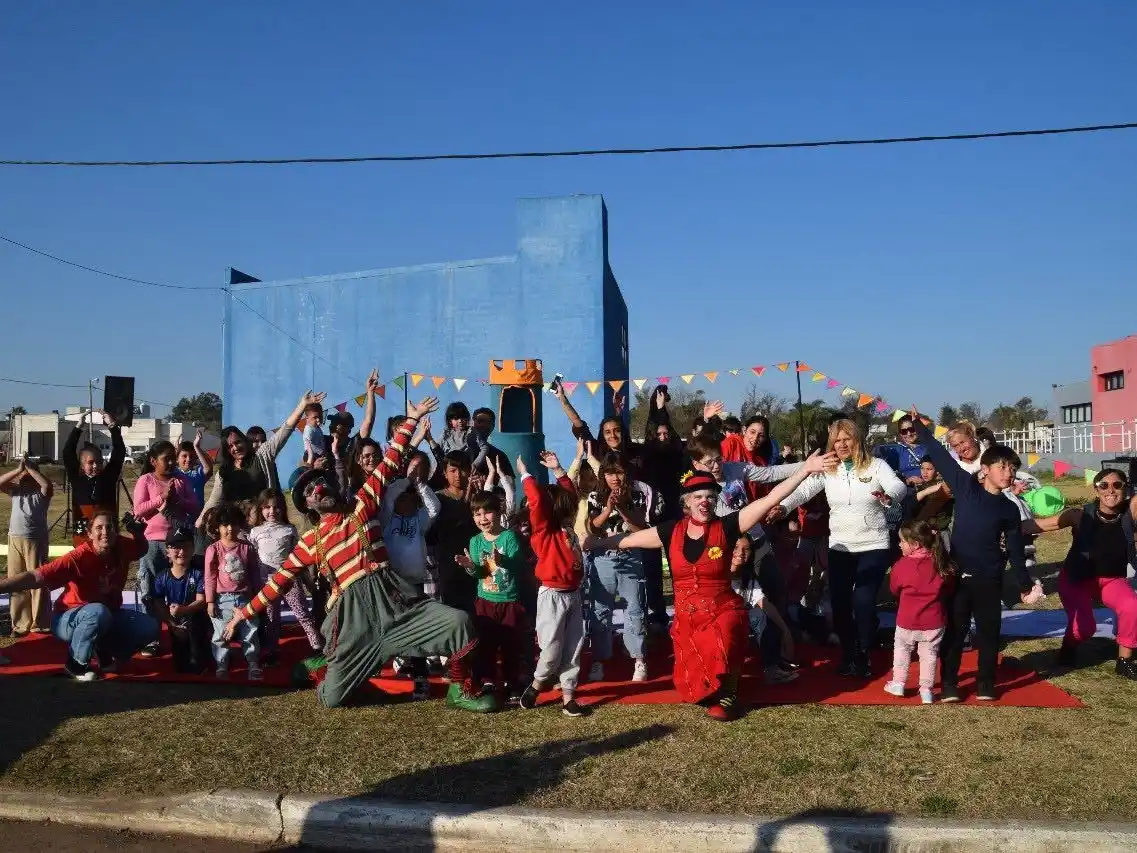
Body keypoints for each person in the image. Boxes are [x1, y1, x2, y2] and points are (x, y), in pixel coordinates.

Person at [222, 397, 495, 712]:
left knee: (459, 623)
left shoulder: (362, 504)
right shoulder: (311, 541)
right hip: (353, 620)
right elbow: (278, 583)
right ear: (306, 505)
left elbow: (390, 460)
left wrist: (413, 418)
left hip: (396, 602)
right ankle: (321, 664)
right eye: (309, 491)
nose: (318, 490)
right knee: (332, 699)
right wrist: (243, 614)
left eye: (320, 482)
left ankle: (460, 690)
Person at [585, 451, 830, 721]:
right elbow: (629, 540)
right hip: (687, 617)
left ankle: (730, 691)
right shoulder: (671, 531)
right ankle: (714, 684)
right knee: (695, 690)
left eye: (711, 497)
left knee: (727, 629)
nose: (705, 502)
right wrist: (593, 544)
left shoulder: (727, 526)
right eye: (698, 497)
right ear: (687, 502)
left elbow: (770, 498)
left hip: (721, 609)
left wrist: (806, 470)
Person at [911, 410, 1043, 701]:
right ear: (986, 469)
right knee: (956, 632)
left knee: (989, 633)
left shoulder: (1009, 509)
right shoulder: (966, 486)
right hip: (959, 576)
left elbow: (1015, 551)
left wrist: (1024, 582)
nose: (1009, 473)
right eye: (1004, 467)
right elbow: (941, 456)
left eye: (1013, 468)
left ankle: (985, 684)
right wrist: (921, 429)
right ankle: (949, 684)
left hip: (989, 577)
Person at [766, 419, 907, 677]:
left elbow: (898, 486)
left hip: (873, 544)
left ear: (858, 440)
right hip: (840, 546)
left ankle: (864, 653)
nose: (842, 444)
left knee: (863, 601)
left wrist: (889, 497)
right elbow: (803, 491)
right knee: (840, 603)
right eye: (837, 440)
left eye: (847, 439)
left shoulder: (876, 465)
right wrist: (783, 507)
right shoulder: (829, 470)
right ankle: (849, 653)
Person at [0, 510, 158, 680]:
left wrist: (138, 533)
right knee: (98, 612)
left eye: (109, 527)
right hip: (68, 618)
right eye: (99, 528)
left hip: (106, 614)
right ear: (89, 533)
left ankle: (103, 651)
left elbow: (141, 550)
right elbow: (36, 576)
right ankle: (75, 665)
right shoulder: (78, 556)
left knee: (149, 626)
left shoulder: (120, 545)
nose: (105, 532)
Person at [1025, 469, 1137, 681]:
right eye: (1104, 485)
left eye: (1117, 485)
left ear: (1126, 488)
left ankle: (1124, 661)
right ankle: (1068, 647)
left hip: (1112, 580)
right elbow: (1039, 524)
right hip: (1077, 579)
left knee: (1133, 606)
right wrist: (1002, 528)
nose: (1110, 490)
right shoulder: (1079, 515)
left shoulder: (1130, 513)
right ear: (1096, 490)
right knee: (1084, 628)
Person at [516, 451, 588, 716]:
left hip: (574, 595)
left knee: (573, 648)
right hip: (552, 596)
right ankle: (537, 685)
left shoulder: (566, 528)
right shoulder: (543, 532)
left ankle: (569, 697)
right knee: (551, 650)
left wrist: (558, 469)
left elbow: (570, 495)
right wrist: (525, 473)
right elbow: (535, 500)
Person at [584, 454, 660, 683]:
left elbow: (642, 529)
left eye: (618, 472)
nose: (614, 478)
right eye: (609, 473)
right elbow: (592, 529)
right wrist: (607, 510)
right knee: (600, 610)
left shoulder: (638, 494)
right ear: (602, 475)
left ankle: (638, 657)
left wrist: (623, 510)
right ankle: (599, 658)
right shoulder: (595, 496)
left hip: (631, 556)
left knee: (635, 608)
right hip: (602, 557)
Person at [199, 392, 324, 522]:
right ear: (226, 450)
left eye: (238, 442)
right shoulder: (224, 472)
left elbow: (285, 430)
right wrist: (200, 520)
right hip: (236, 527)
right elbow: (213, 501)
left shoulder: (262, 456)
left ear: (245, 440)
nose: (235, 448)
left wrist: (302, 405)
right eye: (230, 446)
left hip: (263, 524)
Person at [458, 490, 528, 699]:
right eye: (477, 514)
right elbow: (483, 573)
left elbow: (518, 566)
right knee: (485, 644)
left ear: (499, 513)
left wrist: (502, 560)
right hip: (485, 602)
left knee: (510, 644)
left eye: (487, 512)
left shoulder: (509, 537)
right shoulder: (475, 541)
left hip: (510, 601)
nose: (483, 518)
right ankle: (487, 680)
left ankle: (512, 682)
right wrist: (471, 566)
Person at [133, 440, 200, 654]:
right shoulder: (146, 480)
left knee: (180, 589)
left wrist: (178, 500)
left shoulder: (181, 480)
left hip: (178, 543)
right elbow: (138, 510)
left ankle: (183, 632)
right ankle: (151, 637)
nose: (171, 462)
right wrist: (161, 498)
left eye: (173, 457)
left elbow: (195, 506)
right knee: (151, 589)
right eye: (166, 459)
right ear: (153, 461)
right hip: (152, 542)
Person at [247, 489, 324, 659]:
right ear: (261, 509)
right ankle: (271, 651)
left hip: (290, 580)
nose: (272, 511)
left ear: (283, 508)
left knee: (303, 613)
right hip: (267, 583)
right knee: (271, 618)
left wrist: (308, 582)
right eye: (267, 507)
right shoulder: (255, 532)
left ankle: (317, 646)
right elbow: (251, 560)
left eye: (276, 507)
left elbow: (300, 557)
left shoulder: (289, 529)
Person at [886, 519, 953, 703]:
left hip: (907, 620)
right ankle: (926, 689)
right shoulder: (940, 563)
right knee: (929, 655)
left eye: (902, 541)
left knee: (902, 651)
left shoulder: (901, 566)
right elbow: (948, 587)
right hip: (934, 620)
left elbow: (894, 589)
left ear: (914, 544)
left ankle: (898, 682)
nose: (899, 544)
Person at [205, 504, 262, 680]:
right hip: (222, 600)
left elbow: (254, 573)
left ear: (240, 525)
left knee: (250, 631)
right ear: (217, 527)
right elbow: (209, 576)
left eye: (234, 524)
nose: (230, 528)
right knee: (221, 633)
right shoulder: (213, 549)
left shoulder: (247, 548)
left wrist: (257, 598)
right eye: (225, 525)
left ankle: (253, 663)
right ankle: (222, 664)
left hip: (245, 598)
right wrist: (210, 601)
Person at [0, 457, 54, 635]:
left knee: (38, 581)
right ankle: (21, 624)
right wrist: (18, 469)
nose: (22, 478)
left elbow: (46, 484)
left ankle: (39, 623)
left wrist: (30, 469)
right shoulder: (15, 491)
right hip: (15, 538)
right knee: (16, 581)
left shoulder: (41, 492)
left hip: (35, 540)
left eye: (27, 474)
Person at [146, 527, 211, 673]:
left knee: (197, 661)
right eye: (176, 548)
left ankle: (204, 655)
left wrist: (184, 610)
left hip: (195, 619)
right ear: (167, 551)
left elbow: (202, 601)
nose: (181, 552)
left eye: (186, 547)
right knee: (180, 665)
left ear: (193, 548)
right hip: (175, 621)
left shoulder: (198, 574)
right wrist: (172, 625)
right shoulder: (162, 577)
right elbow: (158, 603)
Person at [428, 450, 482, 614]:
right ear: (444, 473)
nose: (458, 474)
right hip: (447, 565)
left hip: (476, 562)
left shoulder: (478, 498)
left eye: (463, 469)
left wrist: (478, 494)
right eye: (452, 470)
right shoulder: (437, 499)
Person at [62, 410, 125, 545]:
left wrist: (112, 425)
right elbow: (67, 452)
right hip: (82, 531)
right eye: (91, 462)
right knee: (83, 560)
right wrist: (79, 427)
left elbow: (119, 451)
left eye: (99, 461)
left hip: (106, 533)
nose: (96, 465)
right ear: (82, 465)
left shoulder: (108, 477)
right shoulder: (76, 477)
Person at [877, 416, 927, 487]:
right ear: (900, 434)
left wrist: (925, 481)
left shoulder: (929, 448)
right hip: (906, 491)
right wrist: (906, 481)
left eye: (911, 429)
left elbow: (939, 472)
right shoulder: (897, 450)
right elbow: (889, 474)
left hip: (928, 490)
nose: (909, 433)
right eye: (904, 431)